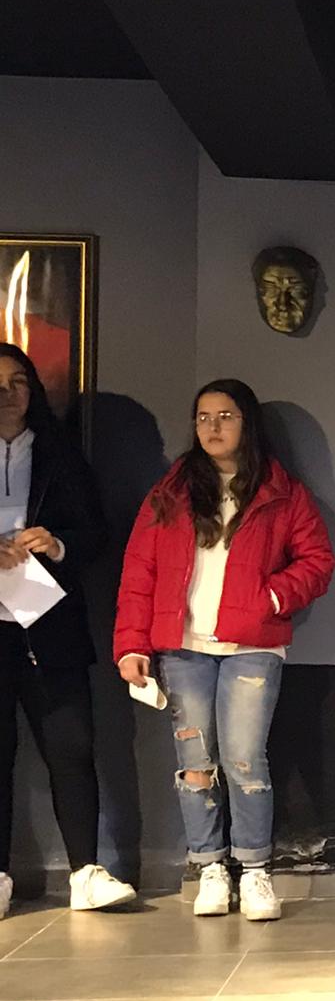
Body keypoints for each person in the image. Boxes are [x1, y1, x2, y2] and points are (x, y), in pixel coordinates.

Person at [114, 379, 334, 921]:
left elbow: (317, 561)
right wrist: (131, 645)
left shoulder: (282, 491)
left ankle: (255, 870)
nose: (213, 427)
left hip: (253, 645)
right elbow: (139, 572)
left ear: (247, 423)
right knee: (195, 763)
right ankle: (209, 866)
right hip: (183, 648)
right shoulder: (169, 493)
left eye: (226, 416)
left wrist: (272, 597)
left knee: (244, 759)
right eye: (203, 417)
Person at [0, 344, 136, 921]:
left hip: (49, 623)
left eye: (18, 382)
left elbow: (96, 535)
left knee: (72, 747)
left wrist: (55, 544)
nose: (8, 394)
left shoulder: (61, 455)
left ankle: (86, 872)